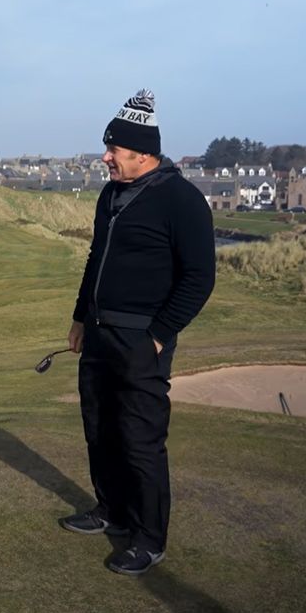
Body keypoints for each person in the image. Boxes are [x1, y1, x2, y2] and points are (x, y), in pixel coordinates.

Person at [62, 89, 216, 575]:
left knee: (140, 438)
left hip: (140, 339)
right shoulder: (110, 194)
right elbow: (95, 258)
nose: (105, 158)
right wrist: (80, 316)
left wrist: (159, 334)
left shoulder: (182, 200)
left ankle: (149, 538)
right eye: (107, 149)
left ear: (143, 153)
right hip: (100, 333)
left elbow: (199, 277)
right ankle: (111, 510)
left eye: (114, 151)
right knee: (99, 428)